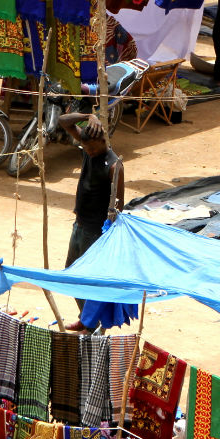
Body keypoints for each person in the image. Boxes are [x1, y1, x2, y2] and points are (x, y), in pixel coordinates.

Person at [58, 109, 124, 331]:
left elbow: (118, 207)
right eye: (86, 149)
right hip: (79, 224)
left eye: (94, 149)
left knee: (87, 278)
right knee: (70, 272)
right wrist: (88, 116)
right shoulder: (88, 146)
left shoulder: (114, 166)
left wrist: (108, 236)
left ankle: (91, 322)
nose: (90, 153)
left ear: (104, 140)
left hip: (96, 231)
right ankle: (86, 318)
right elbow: (63, 122)